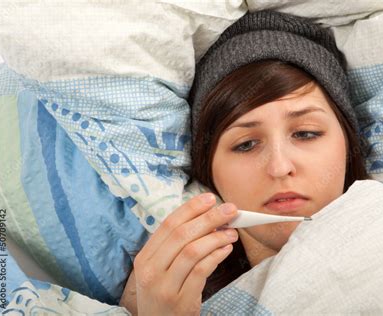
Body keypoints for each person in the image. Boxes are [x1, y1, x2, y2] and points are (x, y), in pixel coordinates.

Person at [120, 10, 368, 315]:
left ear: (349, 146)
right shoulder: (153, 297)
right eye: (246, 144)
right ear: (208, 173)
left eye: (306, 133)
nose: (279, 167)